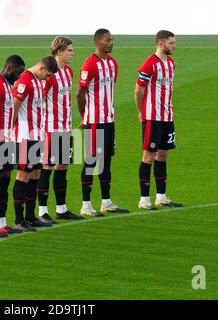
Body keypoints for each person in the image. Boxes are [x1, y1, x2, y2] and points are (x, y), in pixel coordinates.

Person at [76, 29, 129, 217]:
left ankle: (106, 202)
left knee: (106, 160)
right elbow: (80, 94)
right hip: (95, 121)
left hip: (109, 120)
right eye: (108, 40)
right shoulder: (89, 64)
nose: (111, 43)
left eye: (112, 39)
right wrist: (85, 117)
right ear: (98, 42)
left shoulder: (113, 64)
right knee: (92, 162)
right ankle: (85, 205)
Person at [135, 30, 183, 210]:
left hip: (167, 116)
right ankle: (144, 199)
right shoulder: (149, 64)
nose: (174, 46)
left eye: (174, 42)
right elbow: (138, 91)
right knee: (149, 155)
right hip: (152, 117)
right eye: (171, 43)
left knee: (163, 154)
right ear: (160, 43)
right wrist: (141, 112)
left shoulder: (171, 63)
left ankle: (161, 197)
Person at [38, 36, 83, 224]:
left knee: (63, 166)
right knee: (46, 167)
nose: (72, 54)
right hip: (50, 127)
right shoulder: (50, 74)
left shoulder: (69, 72)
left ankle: (61, 208)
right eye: (69, 50)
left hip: (65, 126)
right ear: (59, 51)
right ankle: (42, 211)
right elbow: (40, 100)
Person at [12, 56, 58, 231]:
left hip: (38, 134)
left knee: (36, 173)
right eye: (48, 75)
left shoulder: (38, 80)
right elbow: (14, 106)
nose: (48, 79)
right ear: (41, 68)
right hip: (25, 136)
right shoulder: (25, 80)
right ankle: (19, 220)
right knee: (23, 174)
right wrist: (15, 129)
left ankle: (30, 216)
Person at [0, 55, 26, 235]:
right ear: (10, 68)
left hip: (8, 139)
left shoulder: (9, 85)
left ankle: (1, 222)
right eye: (18, 72)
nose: (19, 76)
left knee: (4, 181)